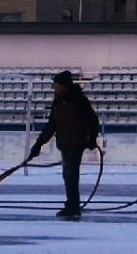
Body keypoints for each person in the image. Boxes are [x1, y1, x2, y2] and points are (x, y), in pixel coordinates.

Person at [28, 70, 102, 219]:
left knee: (71, 175)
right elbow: (51, 126)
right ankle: (72, 204)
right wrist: (38, 144)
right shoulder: (57, 102)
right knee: (68, 175)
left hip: (76, 143)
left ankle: (73, 206)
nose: (54, 88)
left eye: (56, 85)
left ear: (64, 85)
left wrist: (92, 139)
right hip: (65, 143)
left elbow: (93, 121)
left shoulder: (79, 101)